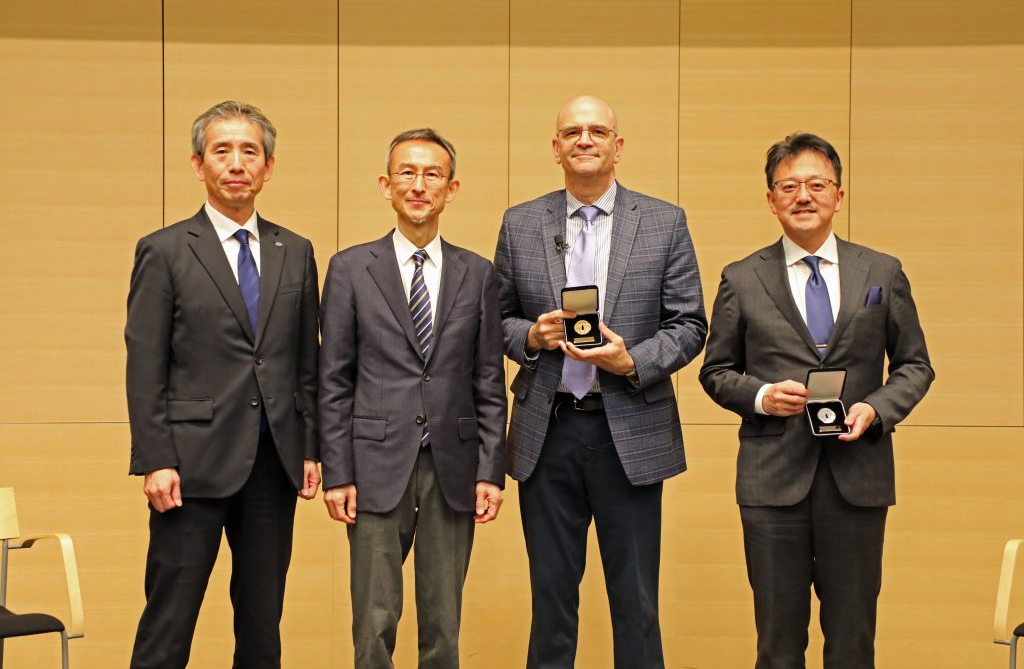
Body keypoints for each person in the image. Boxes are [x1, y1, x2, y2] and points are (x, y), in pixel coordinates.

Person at [699, 132, 934, 668]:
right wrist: (760, 395)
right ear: (771, 199)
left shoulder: (882, 271)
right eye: (789, 186)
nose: (803, 196)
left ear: (839, 195)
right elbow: (715, 372)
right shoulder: (741, 277)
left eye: (816, 184)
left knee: (852, 638)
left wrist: (876, 408)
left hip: (857, 477)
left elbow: (916, 366)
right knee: (778, 641)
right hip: (772, 480)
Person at [494, 95, 707, 668]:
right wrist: (531, 339)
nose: (584, 140)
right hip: (549, 429)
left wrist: (632, 362)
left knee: (636, 602)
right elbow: (497, 320)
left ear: (618, 145)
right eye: (572, 131)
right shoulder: (520, 222)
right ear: (556, 148)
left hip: (630, 433)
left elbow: (690, 323)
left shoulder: (665, 221)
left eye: (597, 131)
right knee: (552, 602)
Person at [125, 100, 321, 668]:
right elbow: (144, 365)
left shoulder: (296, 250)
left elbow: (304, 361)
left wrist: (309, 447)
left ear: (268, 167)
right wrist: (155, 459)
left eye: (249, 152)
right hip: (189, 467)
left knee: (262, 628)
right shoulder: (163, 251)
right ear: (198, 164)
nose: (237, 163)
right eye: (222, 151)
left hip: (273, 464)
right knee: (169, 623)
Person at [319, 128, 507, 669]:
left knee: (443, 621)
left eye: (432, 175)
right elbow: (334, 379)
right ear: (385, 184)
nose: (418, 185)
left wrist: (491, 470)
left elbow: (488, 380)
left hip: (454, 462)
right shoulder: (351, 269)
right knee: (374, 623)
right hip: (373, 463)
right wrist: (338, 472)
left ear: (451, 188)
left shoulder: (478, 274)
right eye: (407, 172)